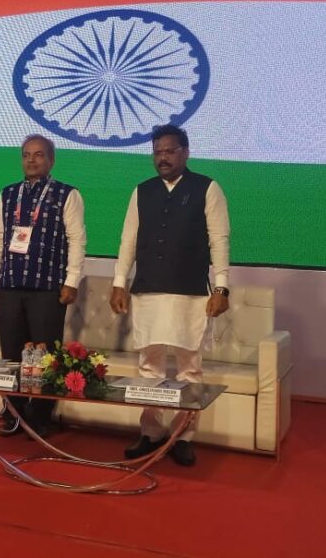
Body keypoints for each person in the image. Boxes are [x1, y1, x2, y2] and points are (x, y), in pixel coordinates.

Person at [110, 124, 230, 467]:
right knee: (149, 366)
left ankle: (184, 436)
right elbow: (128, 240)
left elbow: (219, 240)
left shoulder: (207, 188)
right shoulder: (142, 191)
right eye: (157, 152)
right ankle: (151, 432)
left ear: (185, 152)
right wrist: (119, 282)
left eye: (169, 151)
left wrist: (221, 287)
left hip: (190, 293)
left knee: (190, 368)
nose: (163, 158)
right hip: (148, 289)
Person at [0, 134, 86, 437]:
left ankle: (41, 417)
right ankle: (13, 414)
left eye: (39, 155)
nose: (31, 160)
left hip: (48, 288)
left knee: (45, 357)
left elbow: (77, 240)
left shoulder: (67, 194)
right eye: (26, 155)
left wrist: (71, 281)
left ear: (51, 160)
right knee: (12, 354)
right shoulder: (8, 194)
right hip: (11, 285)